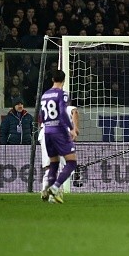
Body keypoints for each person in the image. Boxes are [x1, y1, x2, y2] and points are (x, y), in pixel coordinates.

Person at [39, 70, 78, 204]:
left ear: (52, 79)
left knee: (53, 164)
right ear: (64, 80)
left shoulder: (45, 95)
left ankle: (51, 197)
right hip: (59, 131)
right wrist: (72, 129)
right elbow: (62, 113)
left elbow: (41, 116)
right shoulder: (62, 94)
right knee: (72, 162)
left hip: (47, 131)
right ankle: (55, 188)